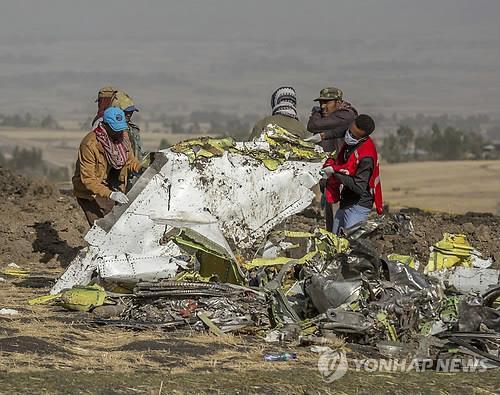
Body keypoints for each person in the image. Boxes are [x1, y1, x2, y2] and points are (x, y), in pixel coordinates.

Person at [73, 107, 143, 226]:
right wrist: (111, 194)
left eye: (121, 129)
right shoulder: (90, 144)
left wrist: (142, 169)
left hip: (106, 185)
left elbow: (129, 160)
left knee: (115, 224)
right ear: (105, 126)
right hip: (88, 192)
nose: (119, 133)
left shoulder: (122, 136)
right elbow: (88, 179)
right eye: (115, 130)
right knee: (100, 228)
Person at [306, 87, 358, 232]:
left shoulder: (345, 115)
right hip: (329, 174)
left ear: (338, 102)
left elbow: (313, 125)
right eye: (321, 103)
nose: (323, 106)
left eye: (327, 102)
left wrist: (315, 112)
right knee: (331, 217)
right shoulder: (330, 119)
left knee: (342, 218)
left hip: (343, 175)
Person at [321, 114, 383, 235]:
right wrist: (322, 136)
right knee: (335, 239)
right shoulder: (352, 142)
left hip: (358, 205)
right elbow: (341, 131)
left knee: (349, 243)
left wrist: (335, 172)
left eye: (353, 135)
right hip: (346, 202)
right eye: (350, 131)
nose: (348, 135)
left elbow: (359, 187)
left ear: (363, 138)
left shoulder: (366, 157)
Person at [111, 90, 148, 163]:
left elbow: (140, 153)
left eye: (131, 112)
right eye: (126, 112)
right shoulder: (110, 130)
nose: (129, 114)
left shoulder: (133, 129)